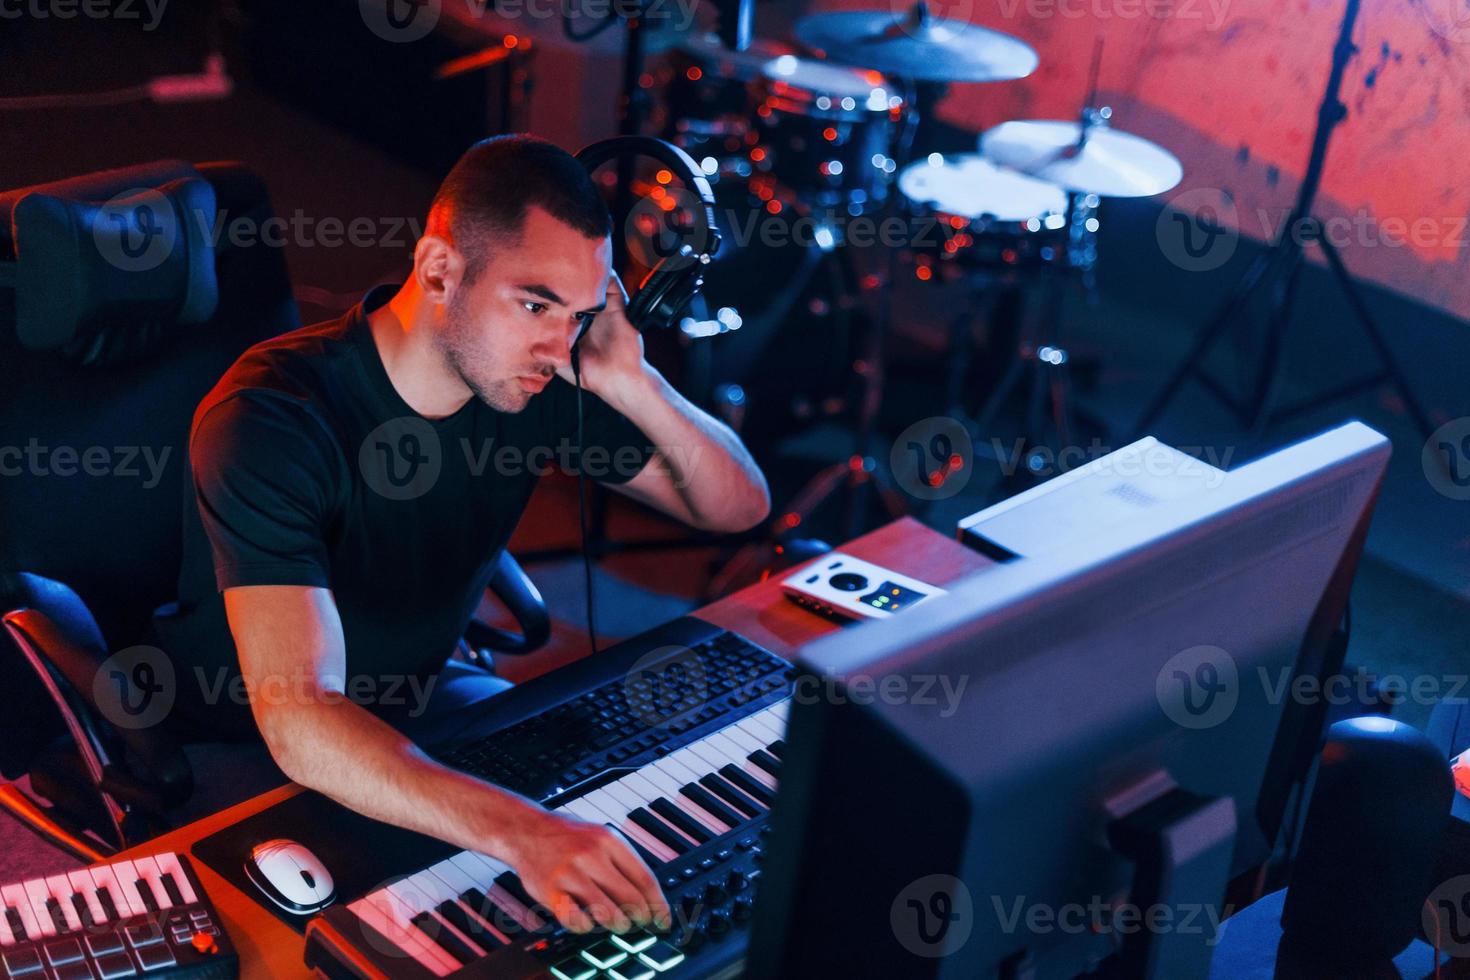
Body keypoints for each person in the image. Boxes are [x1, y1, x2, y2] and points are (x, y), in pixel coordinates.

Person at [152, 134, 770, 935]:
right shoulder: (272, 419)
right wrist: (523, 830)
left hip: (423, 702)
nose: (559, 344)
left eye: (580, 315)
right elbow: (301, 718)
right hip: (241, 746)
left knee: (586, 859)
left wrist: (633, 378)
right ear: (440, 269)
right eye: (536, 303)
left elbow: (739, 507)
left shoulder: (536, 378)